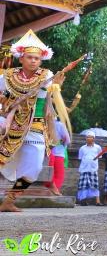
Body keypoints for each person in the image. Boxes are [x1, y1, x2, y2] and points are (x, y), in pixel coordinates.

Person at [0, 30, 69, 212]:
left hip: (35, 126)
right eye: (29, 57)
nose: (33, 61)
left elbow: (52, 92)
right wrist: (6, 99)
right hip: (10, 125)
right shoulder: (7, 76)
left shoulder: (46, 75)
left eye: (37, 58)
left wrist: (57, 87)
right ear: (21, 58)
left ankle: (10, 200)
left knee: (34, 168)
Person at [45, 117, 71, 196]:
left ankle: (47, 190)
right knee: (59, 174)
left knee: (48, 173)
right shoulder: (60, 125)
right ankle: (53, 191)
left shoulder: (44, 122)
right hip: (59, 152)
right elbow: (67, 140)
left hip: (46, 152)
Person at [77, 131, 103, 206]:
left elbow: (99, 157)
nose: (89, 138)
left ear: (93, 138)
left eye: (90, 137)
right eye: (87, 137)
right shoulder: (82, 148)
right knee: (83, 185)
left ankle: (97, 201)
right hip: (84, 169)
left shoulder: (98, 147)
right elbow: (81, 158)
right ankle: (83, 200)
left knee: (95, 185)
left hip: (93, 169)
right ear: (85, 138)